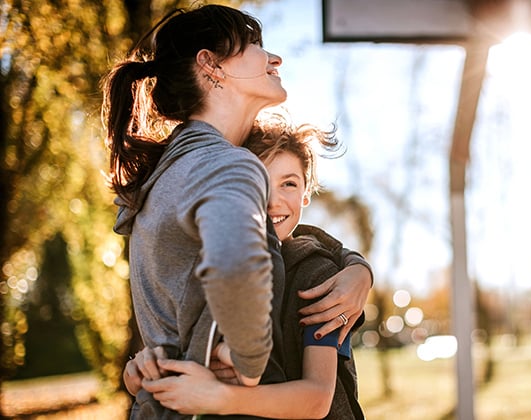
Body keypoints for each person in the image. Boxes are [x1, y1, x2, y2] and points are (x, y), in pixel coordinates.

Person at [101, 5, 371, 418]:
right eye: (255, 46)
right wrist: (248, 365)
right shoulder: (227, 164)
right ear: (211, 66)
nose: (274, 58)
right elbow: (235, 268)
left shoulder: (164, 175)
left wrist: (354, 266)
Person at [125, 113, 365, 419]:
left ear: (306, 195)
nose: (272, 201)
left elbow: (318, 398)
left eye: (288, 184)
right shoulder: (218, 264)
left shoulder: (316, 273)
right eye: (259, 183)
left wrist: (218, 398)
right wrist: (142, 372)